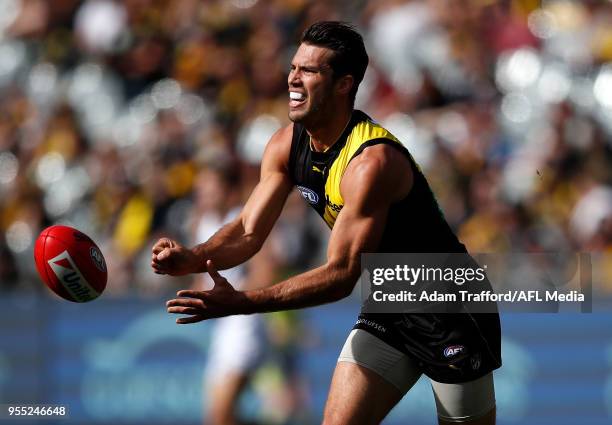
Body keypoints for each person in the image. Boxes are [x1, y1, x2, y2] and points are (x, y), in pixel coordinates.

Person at [152, 21, 502, 425]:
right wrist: (193, 257)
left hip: (448, 306)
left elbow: (341, 275)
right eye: (293, 67)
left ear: (343, 84)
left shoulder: (372, 163)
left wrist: (243, 303)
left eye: (310, 71)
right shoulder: (286, 144)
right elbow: (248, 230)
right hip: (390, 301)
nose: (293, 79)